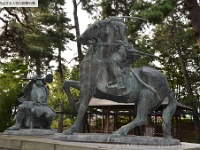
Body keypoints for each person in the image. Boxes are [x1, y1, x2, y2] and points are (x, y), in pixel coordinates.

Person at [107, 19, 137, 89]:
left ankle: (120, 83)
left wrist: (121, 43)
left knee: (113, 60)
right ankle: (114, 79)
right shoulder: (112, 35)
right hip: (118, 51)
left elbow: (126, 45)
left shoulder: (122, 36)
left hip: (122, 53)